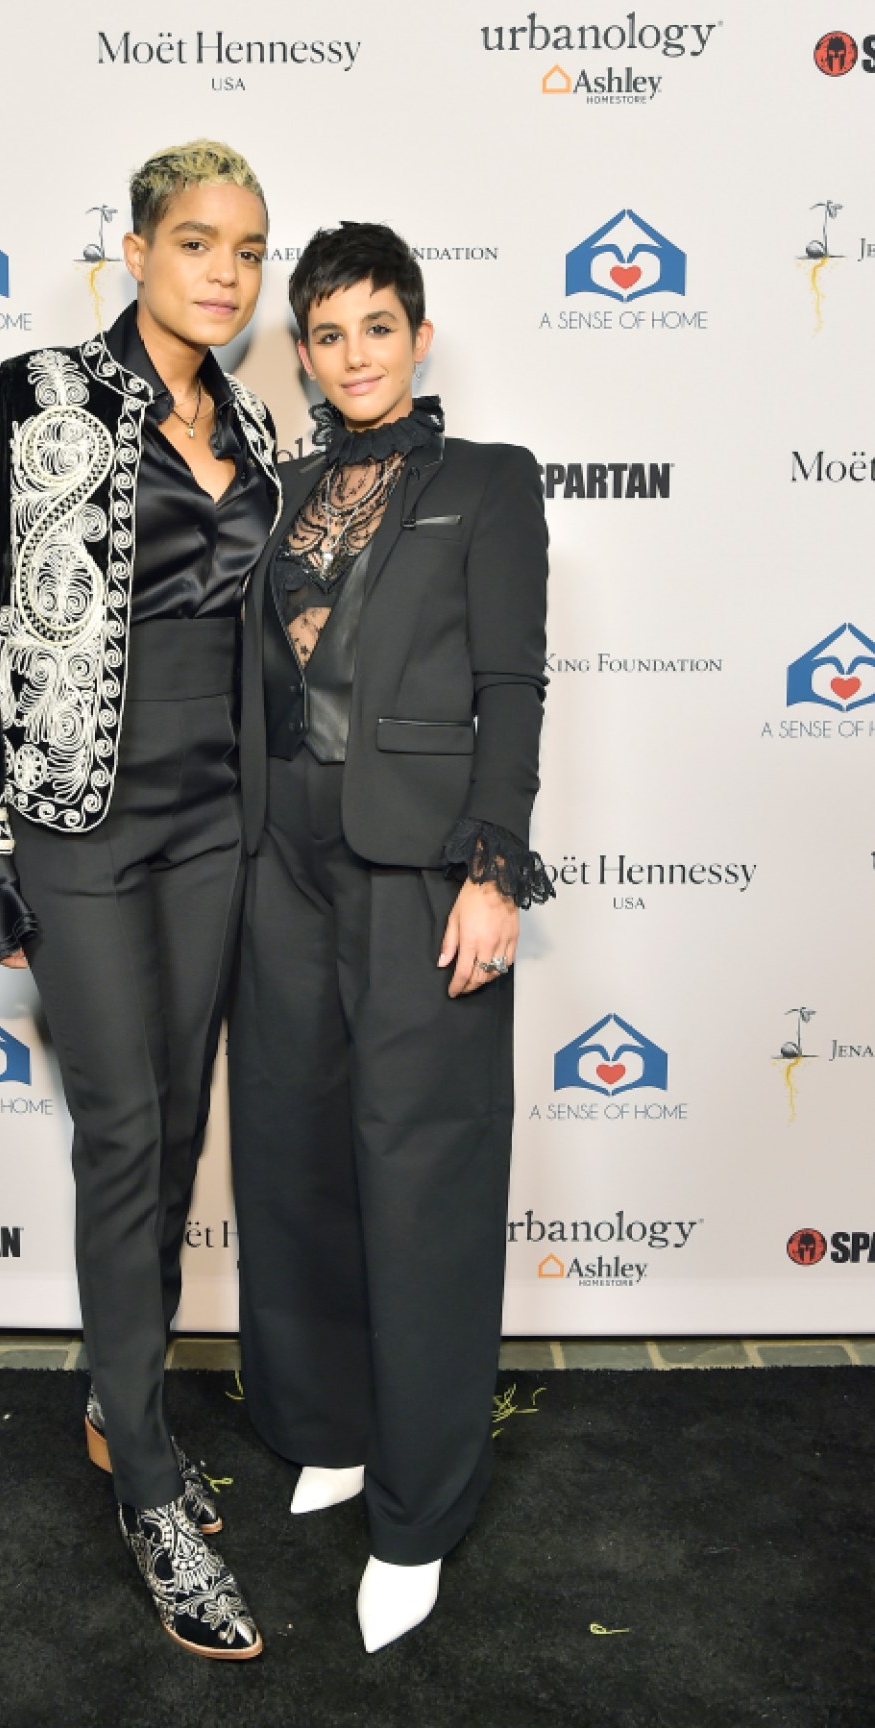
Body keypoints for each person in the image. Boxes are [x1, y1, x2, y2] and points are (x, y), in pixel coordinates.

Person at [0, 141, 281, 1661]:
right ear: (133, 249)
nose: (225, 272)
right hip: (77, 819)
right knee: (123, 1126)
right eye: (197, 241)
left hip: (220, 822)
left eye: (250, 252)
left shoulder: (254, 423)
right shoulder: (35, 393)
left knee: (178, 1125)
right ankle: (143, 1476)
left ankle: (107, 1390)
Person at [228, 221, 553, 1652]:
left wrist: (496, 870)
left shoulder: (489, 484)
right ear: (302, 349)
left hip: (422, 866)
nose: (354, 354)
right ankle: (331, 1431)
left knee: (420, 1176)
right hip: (278, 863)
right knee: (295, 1159)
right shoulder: (277, 490)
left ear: (420, 335)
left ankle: (419, 1508)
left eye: (378, 325)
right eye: (327, 331)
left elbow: (513, 686)